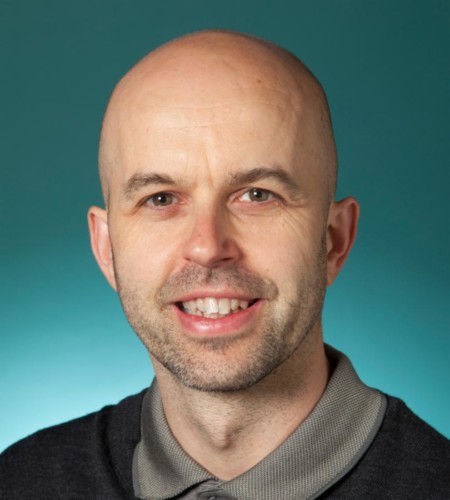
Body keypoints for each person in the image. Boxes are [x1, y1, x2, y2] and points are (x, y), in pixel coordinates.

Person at [0, 30, 448, 499]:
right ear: (106, 248)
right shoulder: (22, 483)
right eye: (161, 199)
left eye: (257, 195)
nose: (207, 247)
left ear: (334, 239)